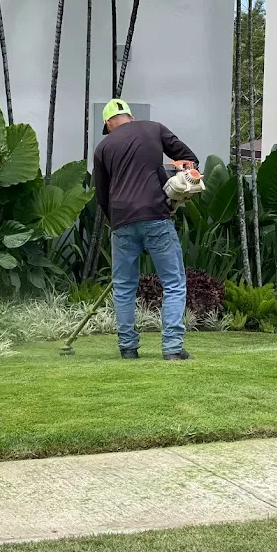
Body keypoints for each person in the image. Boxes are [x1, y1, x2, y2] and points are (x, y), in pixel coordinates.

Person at [93, 99, 198, 361]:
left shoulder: (104, 146)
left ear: (108, 123)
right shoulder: (154, 128)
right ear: (129, 116)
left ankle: (128, 348)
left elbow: (102, 194)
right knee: (173, 282)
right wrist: (172, 183)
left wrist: (114, 220)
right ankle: (172, 348)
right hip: (155, 217)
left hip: (122, 221)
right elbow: (189, 161)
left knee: (124, 287)